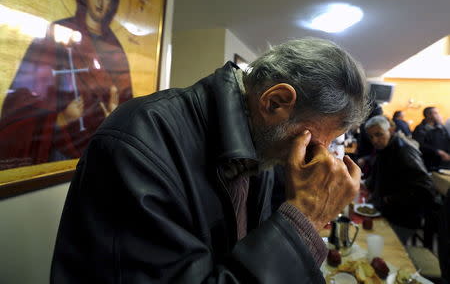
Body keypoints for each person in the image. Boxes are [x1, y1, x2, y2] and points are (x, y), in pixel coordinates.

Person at [51, 38, 370, 283]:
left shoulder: (262, 145)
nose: (317, 155)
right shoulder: (141, 139)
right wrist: (305, 219)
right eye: (313, 140)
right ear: (275, 102)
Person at [0, 0, 132, 170]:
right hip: (61, 151)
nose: (100, 0)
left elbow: (128, 105)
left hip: (103, 152)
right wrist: (61, 118)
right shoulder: (57, 35)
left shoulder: (115, 50)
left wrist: (116, 117)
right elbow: (22, 98)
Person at [364, 116, 435, 244]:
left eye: (379, 134)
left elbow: (426, 188)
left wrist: (389, 199)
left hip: (403, 218)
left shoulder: (404, 151)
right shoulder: (385, 148)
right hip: (385, 211)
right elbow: (380, 175)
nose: (374, 140)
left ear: (391, 130)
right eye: (371, 137)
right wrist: (368, 185)